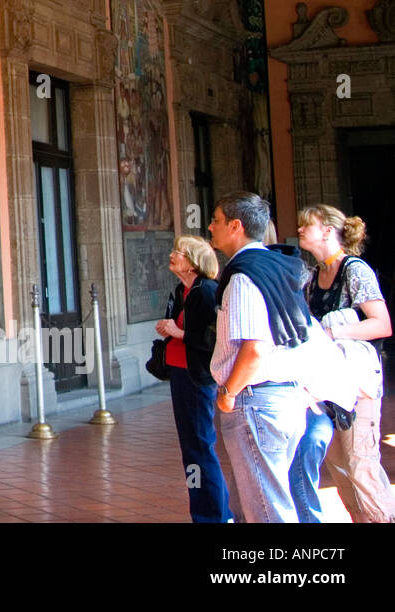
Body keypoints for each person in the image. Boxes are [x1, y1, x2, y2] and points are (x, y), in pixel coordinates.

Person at [208, 191, 313, 522]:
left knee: (267, 510)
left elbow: (254, 347)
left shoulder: (243, 275)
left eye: (215, 220)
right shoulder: (277, 265)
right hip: (283, 395)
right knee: (260, 502)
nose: (209, 227)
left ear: (235, 226)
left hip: (256, 400)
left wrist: (229, 394)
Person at [290, 204, 395, 523]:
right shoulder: (313, 274)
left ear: (326, 230)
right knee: (339, 467)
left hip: (357, 383)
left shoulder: (355, 270)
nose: (299, 230)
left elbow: (382, 324)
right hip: (328, 384)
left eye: (306, 224)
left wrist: (332, 331)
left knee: (360, 462)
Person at [155, 235, 231, 522]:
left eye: (180, 252)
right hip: (179, 373)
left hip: (197, 377)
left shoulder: (206, 291)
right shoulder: (182, 290)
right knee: (191, 449)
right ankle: (206, 511)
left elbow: (215, 340)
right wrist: (170, 330)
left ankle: (213, 515)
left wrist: (179, 333)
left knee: (200, 446)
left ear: (193, 263)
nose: (173, 255)